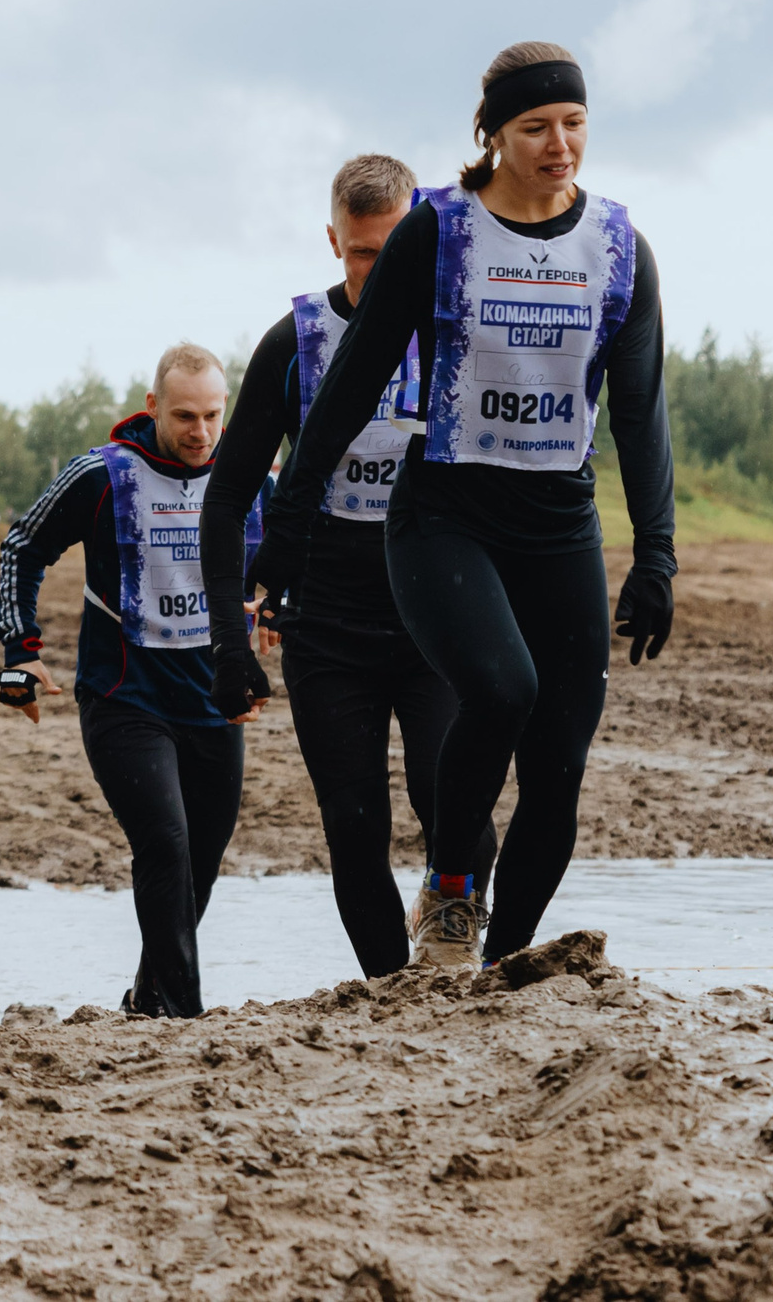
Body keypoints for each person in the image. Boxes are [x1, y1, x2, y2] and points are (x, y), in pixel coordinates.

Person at [235, 41, 676, 970]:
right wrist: (291, 520)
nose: (559, 146)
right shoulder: (440, 234)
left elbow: (639, 413)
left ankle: (504, 964)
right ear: (493, 135)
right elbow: (352, 381)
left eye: (574, 125)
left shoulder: (620, 249)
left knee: (559, 768)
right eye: (536, 129)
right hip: (445, 514)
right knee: (504, 689)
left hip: (560, 522)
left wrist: (658, 555)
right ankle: (449, 890)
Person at [199, 153, 499, 975]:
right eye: (364, 253)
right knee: (354, 822)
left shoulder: (462, 330)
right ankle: (390, 990)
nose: (380, 269)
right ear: (334, 242)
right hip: (330, 615)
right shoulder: (295, 344)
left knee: (453, 804)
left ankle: (450, 930)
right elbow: (225, 501)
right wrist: (229, 640)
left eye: (397, 247)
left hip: (436, 604)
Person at [0, 344, 262, 1018]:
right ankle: (181, 1015)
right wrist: (19, 653)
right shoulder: (102, 474)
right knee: (165, 845)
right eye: (184, 417)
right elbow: (22, 548)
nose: (200, 433)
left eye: (211, 416)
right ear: (152, 408)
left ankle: (147, 997)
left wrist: (282, 602)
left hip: (213, 704)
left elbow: (292, 554)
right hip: (123, 699)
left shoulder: (251, 472)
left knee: (201, 862)